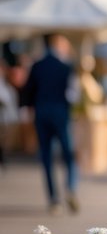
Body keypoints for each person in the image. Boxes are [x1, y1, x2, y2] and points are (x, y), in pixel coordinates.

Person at [21, 34, 80, 213]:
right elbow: (73, 94)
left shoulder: (37, 66)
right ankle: (70, 187)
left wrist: (28, 108)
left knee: (46, 156)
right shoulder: (66, 67)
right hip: (61, 114)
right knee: (68, 154)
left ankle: (54, 199)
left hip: (42, 113)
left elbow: (28, 90)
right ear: (58, 45)